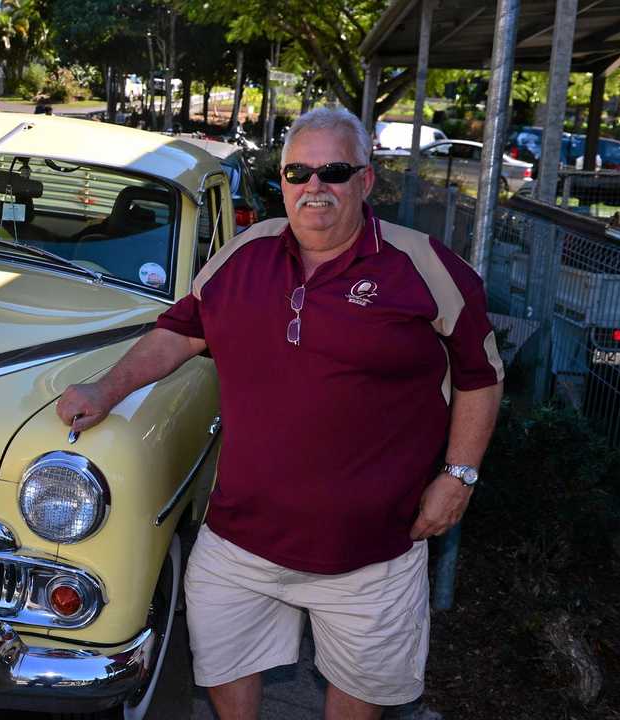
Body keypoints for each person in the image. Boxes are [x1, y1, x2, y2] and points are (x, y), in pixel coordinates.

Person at [55, 107, 505, 720]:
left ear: (366, 181)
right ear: (283, 180)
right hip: (240, 542)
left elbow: (482, 376)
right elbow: (178, 334)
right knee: (224, 669)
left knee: (361, 695)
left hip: (373, 552)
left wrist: (459, 477)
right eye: (299, 172)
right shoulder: (245, 254)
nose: (314, 187)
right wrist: (104, 391)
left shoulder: (424, 267)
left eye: (334, 172)